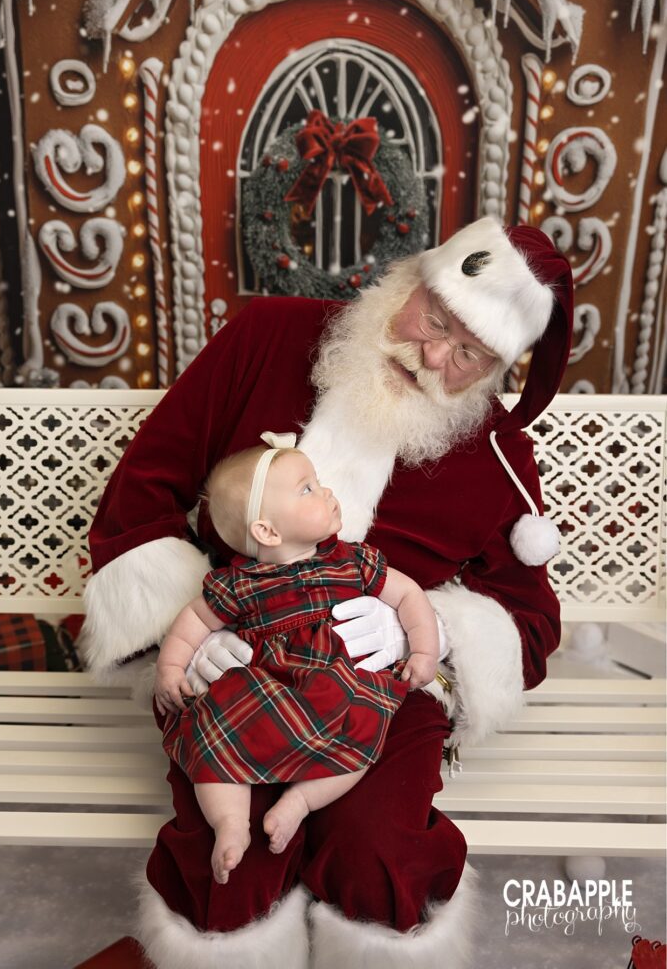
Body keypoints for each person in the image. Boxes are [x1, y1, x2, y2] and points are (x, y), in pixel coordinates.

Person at [80, 216, 573, 969]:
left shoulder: (497, 454)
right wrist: (192, 630)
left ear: (499, 367)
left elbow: (530, 622)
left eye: (468, 353)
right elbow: (137, 499)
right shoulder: (270, 337)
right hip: (232, 664)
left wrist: (425, 628)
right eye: (433, 319)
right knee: (227, 861)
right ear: (411, 279)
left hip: (381, 695)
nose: (432, 355)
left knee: (376, 851)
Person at [154, 439, 439, 885]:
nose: (326, 492)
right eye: (308, 489)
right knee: (211, 734)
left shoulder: (351, 561)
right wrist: (171, 669)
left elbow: (408, 595)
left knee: (363, 734)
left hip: (339, 681)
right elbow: (191, 620)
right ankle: (229, 822)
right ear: (267, 531)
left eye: (319, 483)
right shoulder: (239, 583)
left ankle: (301, 801)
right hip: (262, 686)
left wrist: (423, 650)